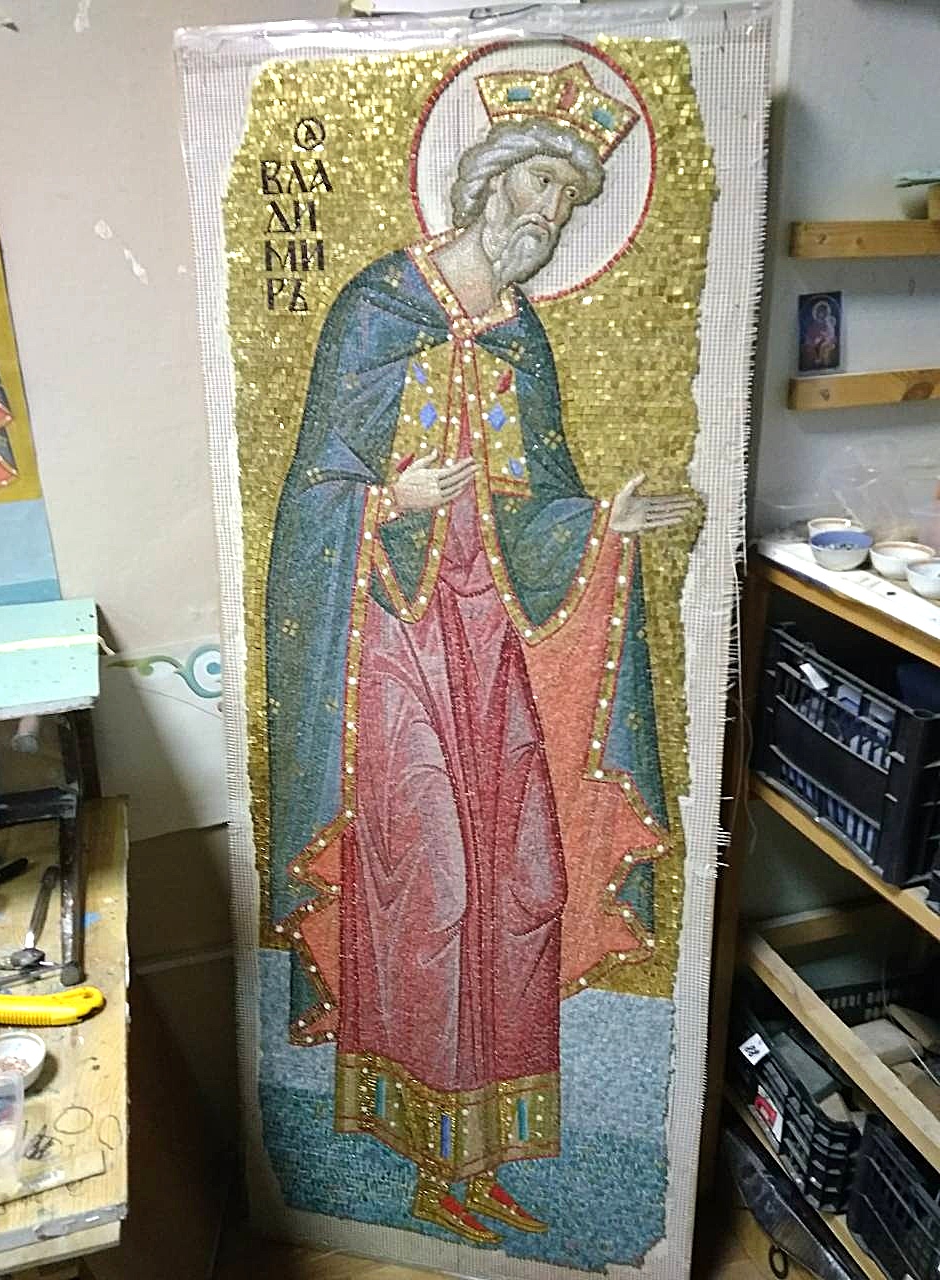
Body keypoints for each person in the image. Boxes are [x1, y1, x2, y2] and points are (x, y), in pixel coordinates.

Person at [265, 65, 692, 1244]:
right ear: (487, 182)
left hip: (492, 648)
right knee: (432, 888)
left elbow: (535, 509)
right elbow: (309, 497)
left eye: (568, 202)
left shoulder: (522, 337)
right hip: (395, 649)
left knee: (519, 885)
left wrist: (604, 520)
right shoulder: (378, 308)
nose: (549, 217)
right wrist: (387, 499)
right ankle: (419, 1149)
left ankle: (484, 1152)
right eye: (540, 186)